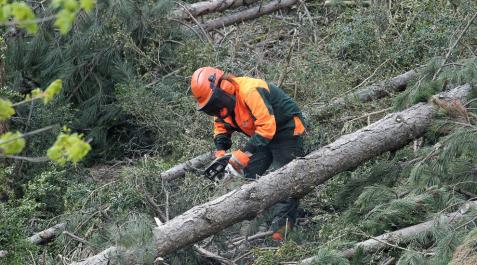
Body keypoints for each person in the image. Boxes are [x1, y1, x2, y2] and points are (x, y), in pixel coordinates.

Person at [190, 66, 306, 240]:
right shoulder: (221, 106)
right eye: (210, 107)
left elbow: (267, 127)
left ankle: (281, 233)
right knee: (248, 175)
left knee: (286, 179)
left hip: (286, 129)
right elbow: (220, 128)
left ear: (225, 87)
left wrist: (245, 153)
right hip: (262, 136)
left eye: (213, 103)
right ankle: (258, 221)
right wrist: (221, 150)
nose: (215, 110)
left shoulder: (250, 90)